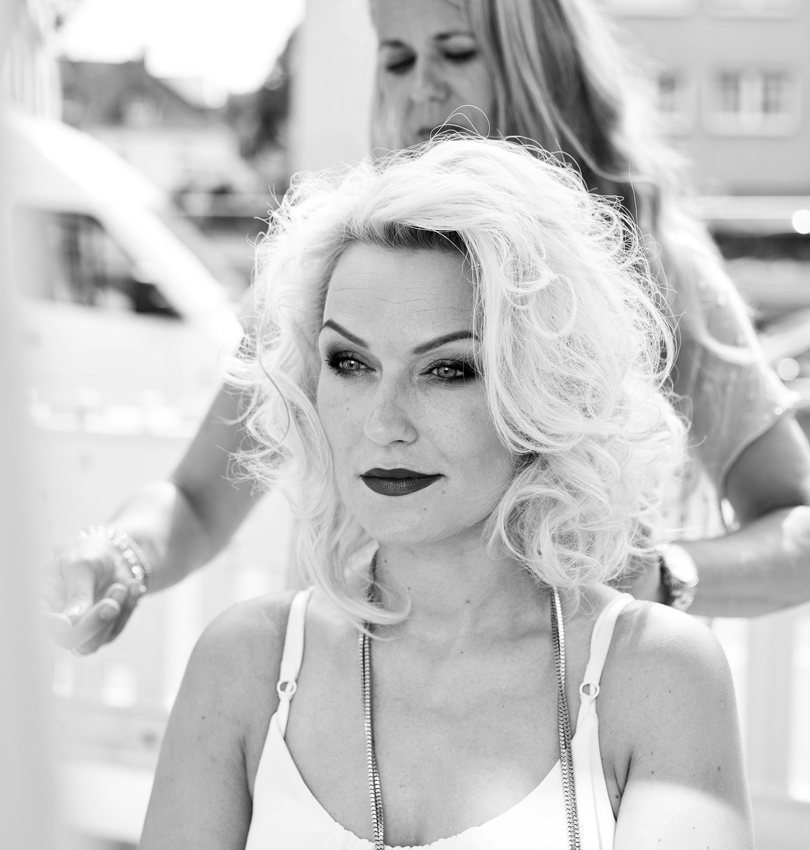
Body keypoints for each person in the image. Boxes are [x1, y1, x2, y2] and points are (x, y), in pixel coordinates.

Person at [42, 0, 810, 654]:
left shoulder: (650, 263)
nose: (423, 87)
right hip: (337, 732)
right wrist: (118, 559)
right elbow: (195, 500)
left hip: (566, 743)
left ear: (538, 59)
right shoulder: (333, 265)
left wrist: (659, 577)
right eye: (397, 58)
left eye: (456, 51)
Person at [138, 137, 751, 849]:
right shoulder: (247, 664)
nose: (383, 423)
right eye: (349, 362)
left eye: (448, 370)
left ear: (543, 389)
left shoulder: (657, 675)